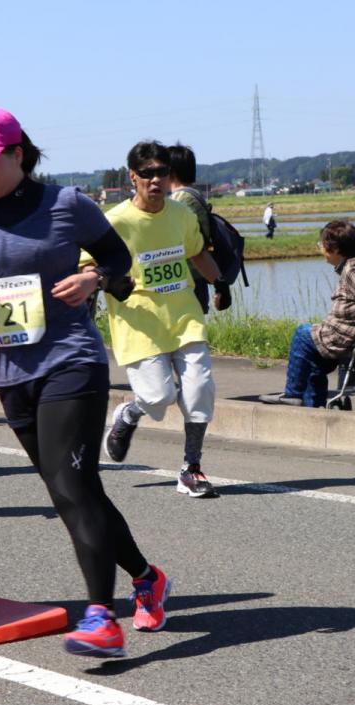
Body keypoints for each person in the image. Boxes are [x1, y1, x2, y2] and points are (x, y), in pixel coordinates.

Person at [0, 107, 168, 659]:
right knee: (73, 490)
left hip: (71, 361)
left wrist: (93, 277)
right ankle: (146, 576)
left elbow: (120, 264)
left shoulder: (67, 205)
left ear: (17, 154)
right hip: (9, 372)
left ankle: (100, 618)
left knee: (72, 486)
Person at [93, 140, 223, 499]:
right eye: (146, 173)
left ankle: (190, 469)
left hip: (183, 315)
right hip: (138, 322)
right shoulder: (115, 222)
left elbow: (197, 253)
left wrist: (220, 282)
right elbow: (88, 267)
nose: (154, 180)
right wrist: (108, 281)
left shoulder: (181, 215)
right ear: (132, 177)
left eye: (161, 172)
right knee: (159, 398)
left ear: (169, 175)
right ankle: (129, 414)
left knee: (199, 388)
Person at [258, 220, 355, 408]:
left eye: (322, 245)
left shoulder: (354, 270)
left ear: (336, 249)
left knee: (302, 334)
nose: (320, 248)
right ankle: (313, 407)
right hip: (353, 333)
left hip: (353, 338)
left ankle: (293, 393)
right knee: (313, 359)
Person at [167, 142, 231, 315]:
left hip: (188, 278)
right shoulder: (194, 195)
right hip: (199, 274)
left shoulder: (180, 199)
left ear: (170, 171)